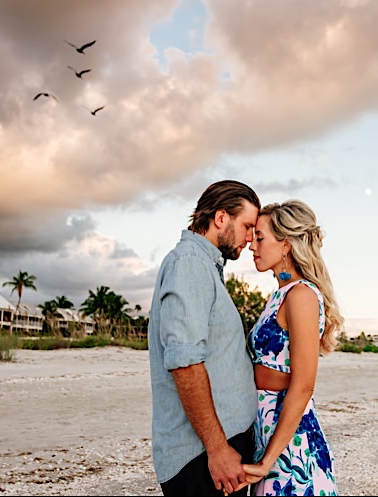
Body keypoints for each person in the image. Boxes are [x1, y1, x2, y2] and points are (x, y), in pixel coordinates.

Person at [148, 180, 262, 496]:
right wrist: (217, 449)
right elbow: (185, 363)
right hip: (202, 458)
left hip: (215, 450)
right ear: (221, 218)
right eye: (247, 226)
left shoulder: (205, 266)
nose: (250, 238)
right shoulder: (189, 264)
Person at [239, 199, 343, 495]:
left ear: (285, 245)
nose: (252, 246)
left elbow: (303, 385)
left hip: (292, 443)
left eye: (260, 238)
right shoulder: (280, 295)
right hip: (267, 432)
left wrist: (266, 462)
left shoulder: (301, 295)